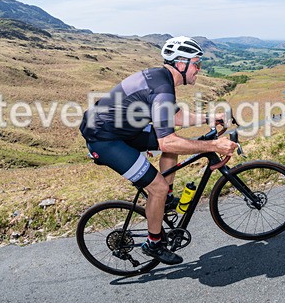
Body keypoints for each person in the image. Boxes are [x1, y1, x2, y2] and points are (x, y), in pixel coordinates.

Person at [79, 36, 237, 265]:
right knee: (158, 185)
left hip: (124, 129)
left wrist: (209, 118)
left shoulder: (162, 79)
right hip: (105, 139)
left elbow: (175, 116)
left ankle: (167, 198)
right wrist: (213, 145)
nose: (199, 69)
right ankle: (153, 242)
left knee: (172, 152)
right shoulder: (162, 87)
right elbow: (167, 142)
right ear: (180, 64)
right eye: (196, 64)